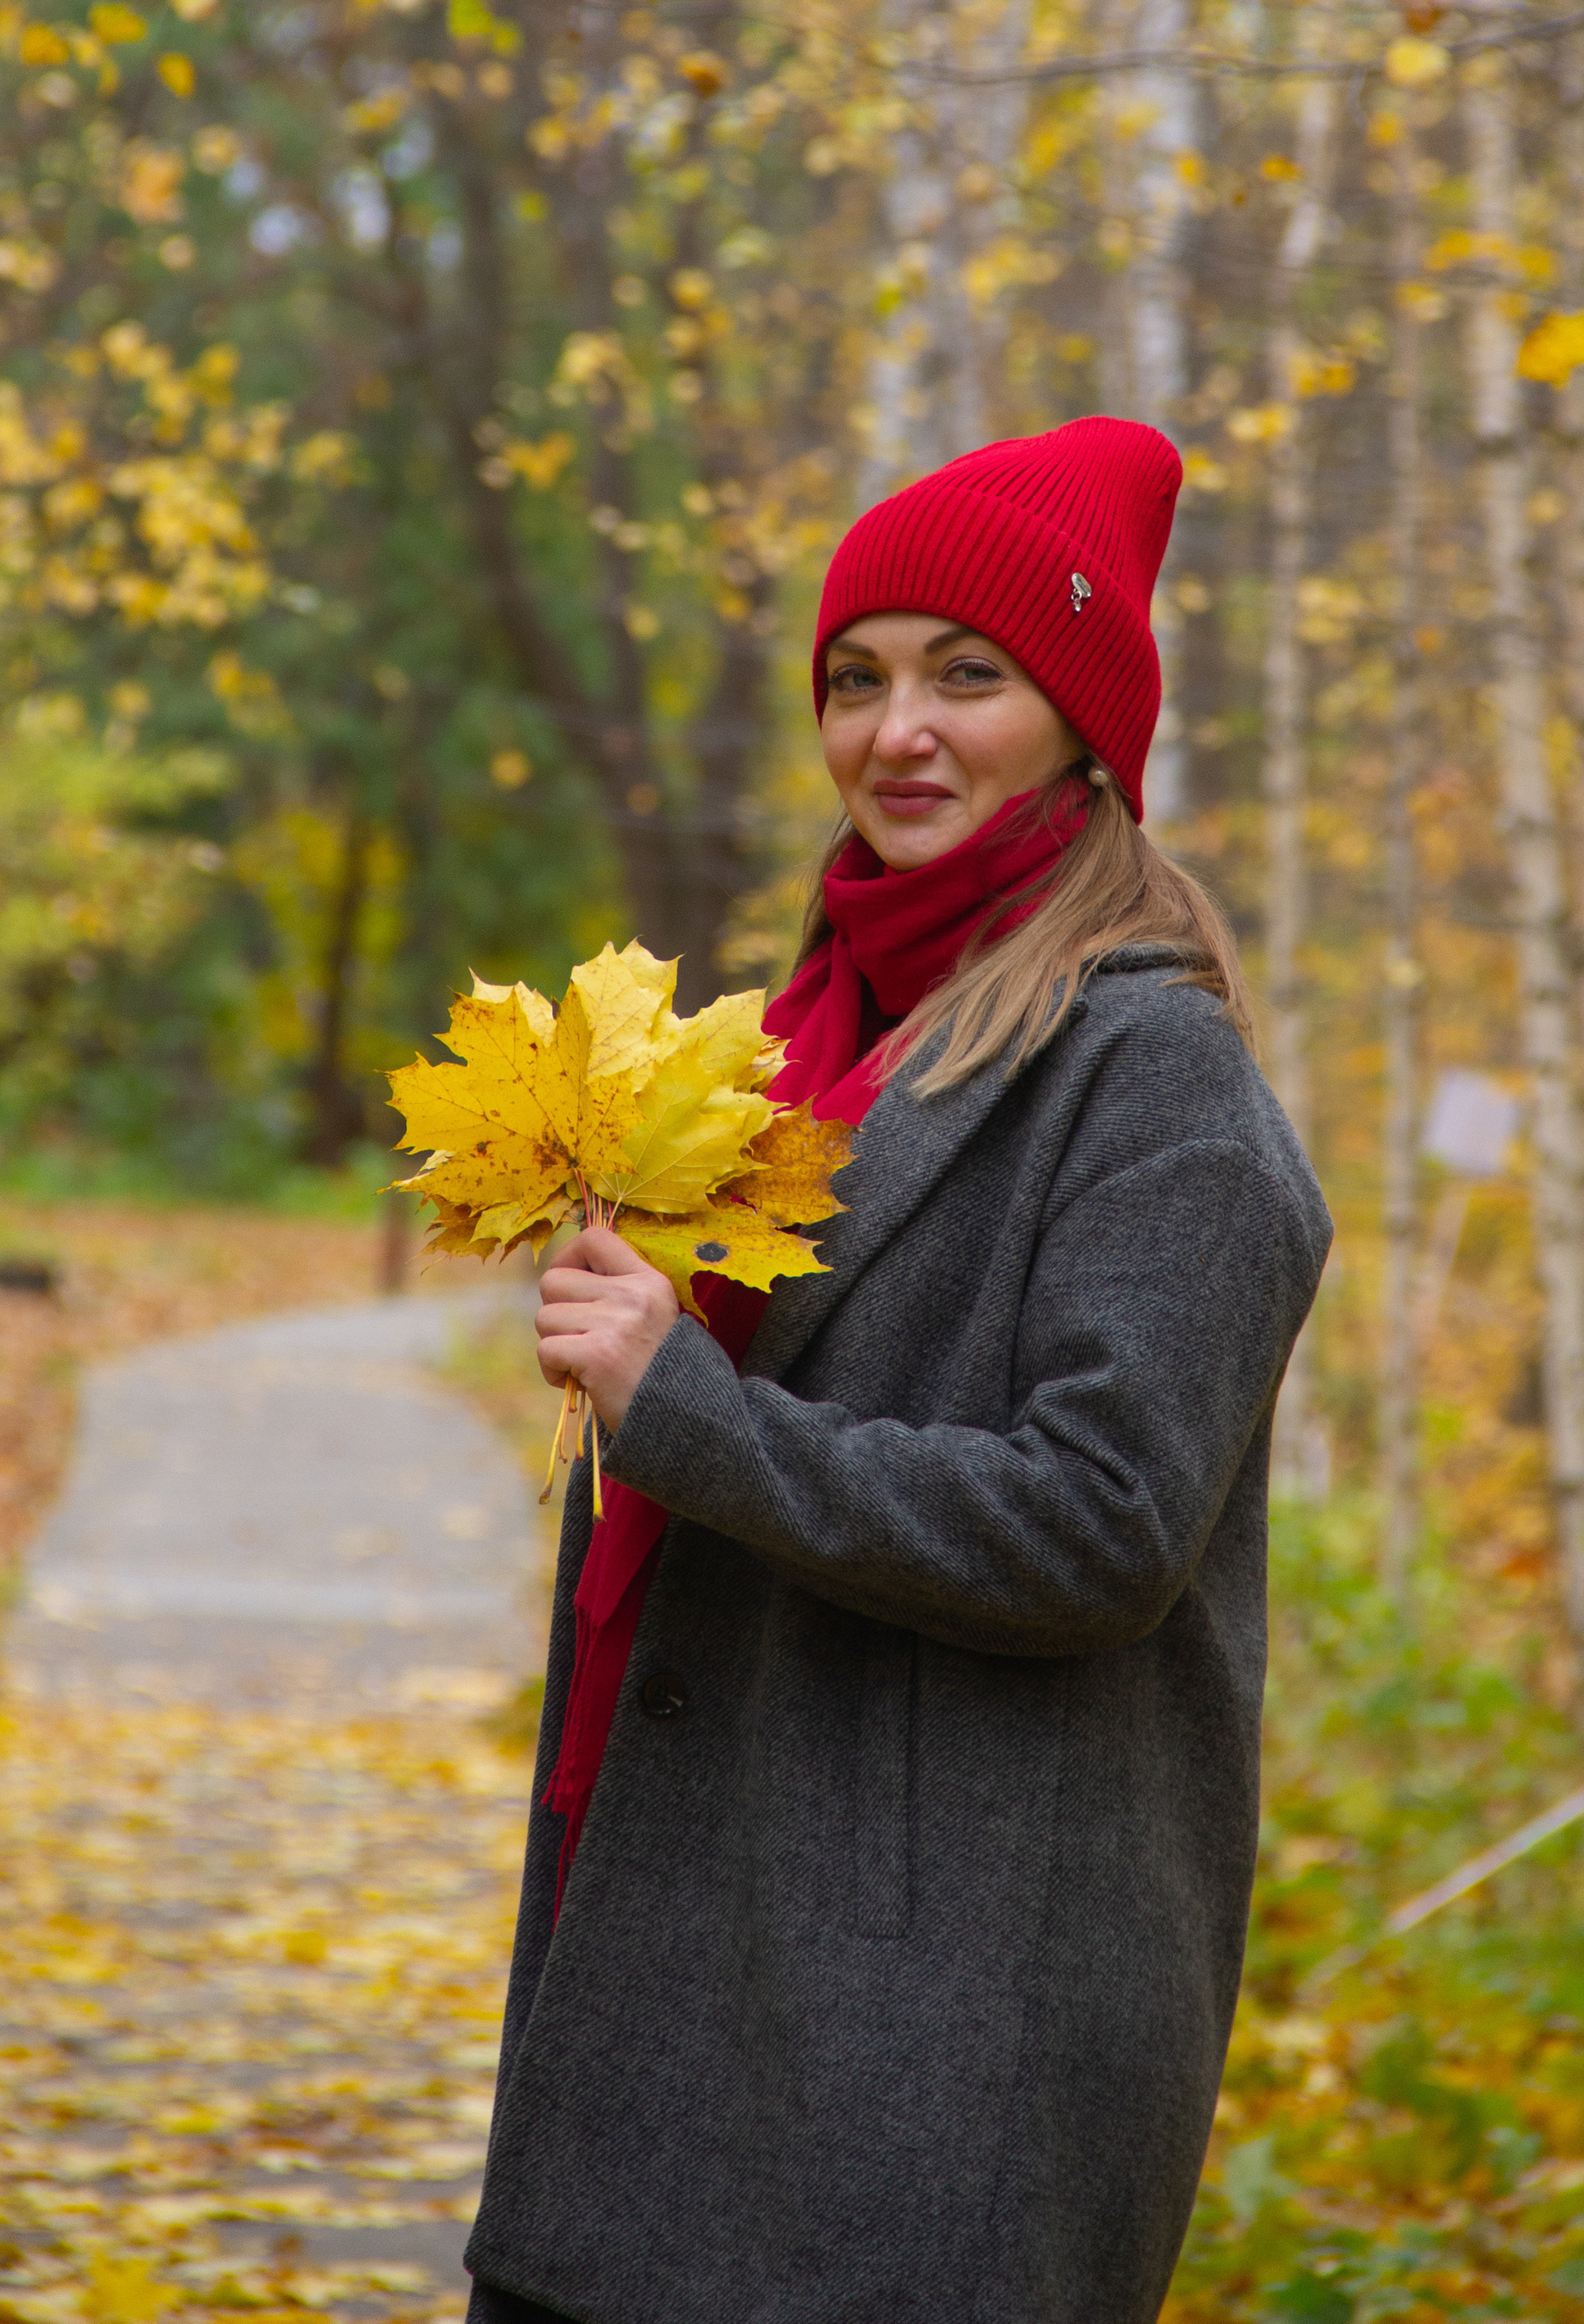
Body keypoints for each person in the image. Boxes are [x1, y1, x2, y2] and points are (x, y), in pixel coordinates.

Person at [465, 415, 1331, 2324]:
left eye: (968, 676)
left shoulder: (1154, 1085)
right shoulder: (795, 1043)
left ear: (1085, 724)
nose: (894, 731)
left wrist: (684, 1418)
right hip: (705, 1937)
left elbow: (1101, 1530)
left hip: (941, 2011)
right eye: (855, 680)